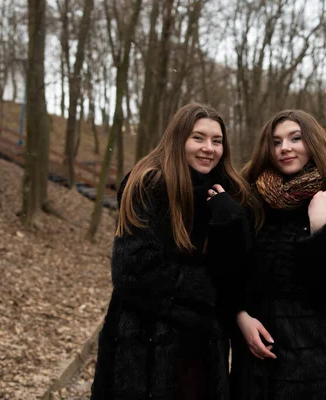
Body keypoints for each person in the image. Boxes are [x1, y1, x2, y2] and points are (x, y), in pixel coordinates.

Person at [91, 103, 250, 400]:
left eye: (217, 141)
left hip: (203, 352)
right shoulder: (149, 184)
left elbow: (237, 273)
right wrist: (210, 300)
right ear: (179, 139)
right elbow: (134, 272)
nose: (209, 148)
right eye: (198, 138)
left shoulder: (228, 192)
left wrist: (231, 223)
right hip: (143, 349)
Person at [230, 110, 326, 399]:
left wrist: (319, 229)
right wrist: (239, 315)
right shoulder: (250, 199)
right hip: (257, 359)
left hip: (317, 365)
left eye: (295, 138)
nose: (285, 147)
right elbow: (231, 270)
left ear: (313, 143)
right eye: (276, 142)